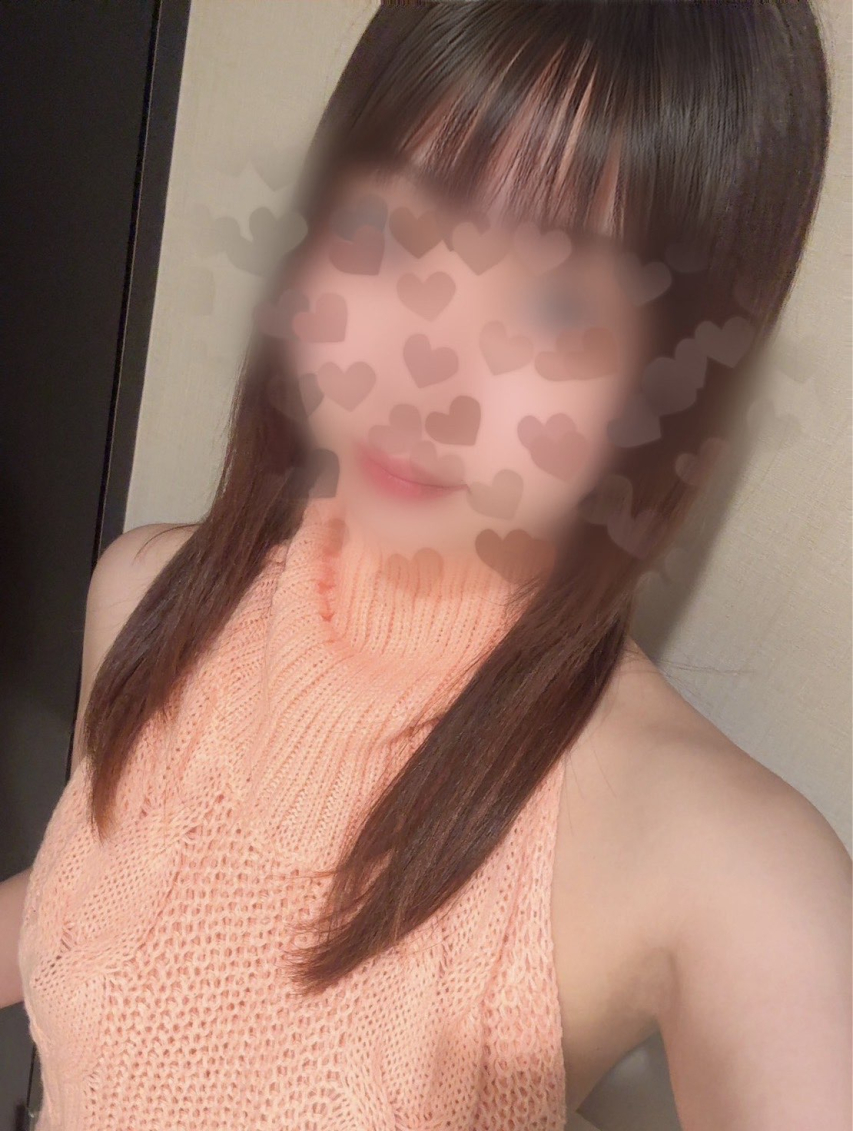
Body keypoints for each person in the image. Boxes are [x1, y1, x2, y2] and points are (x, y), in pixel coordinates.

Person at [2, 2, 850, 1129]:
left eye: (555, 304)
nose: (425, 375)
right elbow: (105, 909)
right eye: (392, 234)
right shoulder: (144, 595)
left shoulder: (719, 866)